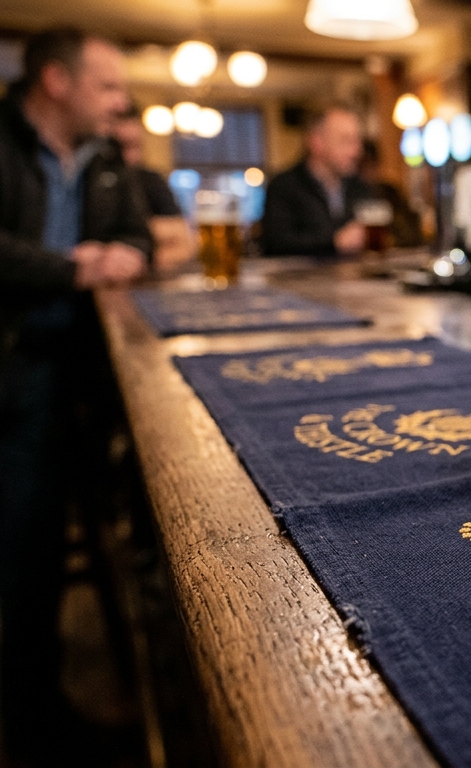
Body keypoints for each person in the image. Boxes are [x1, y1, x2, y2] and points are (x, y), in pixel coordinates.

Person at [0, 27, 150, 762]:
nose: (120, 102)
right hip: (14, 362)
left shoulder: (105, 158)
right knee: (26, 542)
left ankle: (139, 666)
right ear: (57, 82)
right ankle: (31, 724)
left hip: (79, 367)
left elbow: (136, 236)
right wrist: (71, 269)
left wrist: (128, 252)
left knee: (140, 480)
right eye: (107, 86)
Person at [259, 104, 373, 256]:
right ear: (316, 142)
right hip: (302, 279)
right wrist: (334, 242)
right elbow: (277, 244)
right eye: (346, 140)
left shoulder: (360, 187)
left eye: (358, 141)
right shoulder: (284, 186)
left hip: (355, 278)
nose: (357, 150)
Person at [111, 106, 196, 273]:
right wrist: (158, 237)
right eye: (120, 147)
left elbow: (186, 244)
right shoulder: (92, 179)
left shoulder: (151, 180)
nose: (130, 156)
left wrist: (136, 258)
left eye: (135, 146)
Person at [358, 140, 424, 248]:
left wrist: (392, 239)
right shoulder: (350, 195)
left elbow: (410, 233)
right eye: (363, 167)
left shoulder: (391, 193)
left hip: (393, 255)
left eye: (372, 166)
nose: (368, 172)